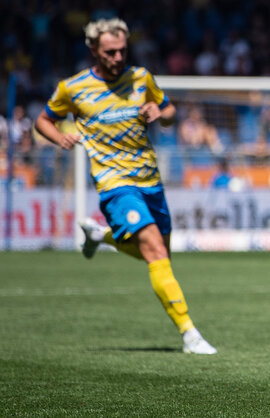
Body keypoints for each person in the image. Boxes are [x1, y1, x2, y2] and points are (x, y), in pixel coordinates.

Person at [34, 18, 216, 354]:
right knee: (155, 252)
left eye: (122, 50)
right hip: (115, 184)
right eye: (110, 52)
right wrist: (60, 137)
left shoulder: (141, 77)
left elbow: (170, 110)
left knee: (159, 255)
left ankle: (99, 235)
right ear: (93, 51)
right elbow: (43, 119)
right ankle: (190, 334)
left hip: (150, 181)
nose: (118, 57)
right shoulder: (73, 88)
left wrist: (160, 114)